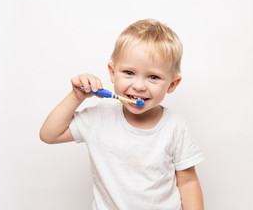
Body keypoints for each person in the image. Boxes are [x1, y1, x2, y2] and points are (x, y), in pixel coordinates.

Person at [40, 19, 205, 210]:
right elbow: (49, 135)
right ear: (112, 72)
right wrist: (76, 97)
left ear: (172, 84)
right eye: (128, 72)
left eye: (153, 77)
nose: (139, 86)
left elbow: (187, 182)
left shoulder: (175, 127)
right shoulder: (98, 118)